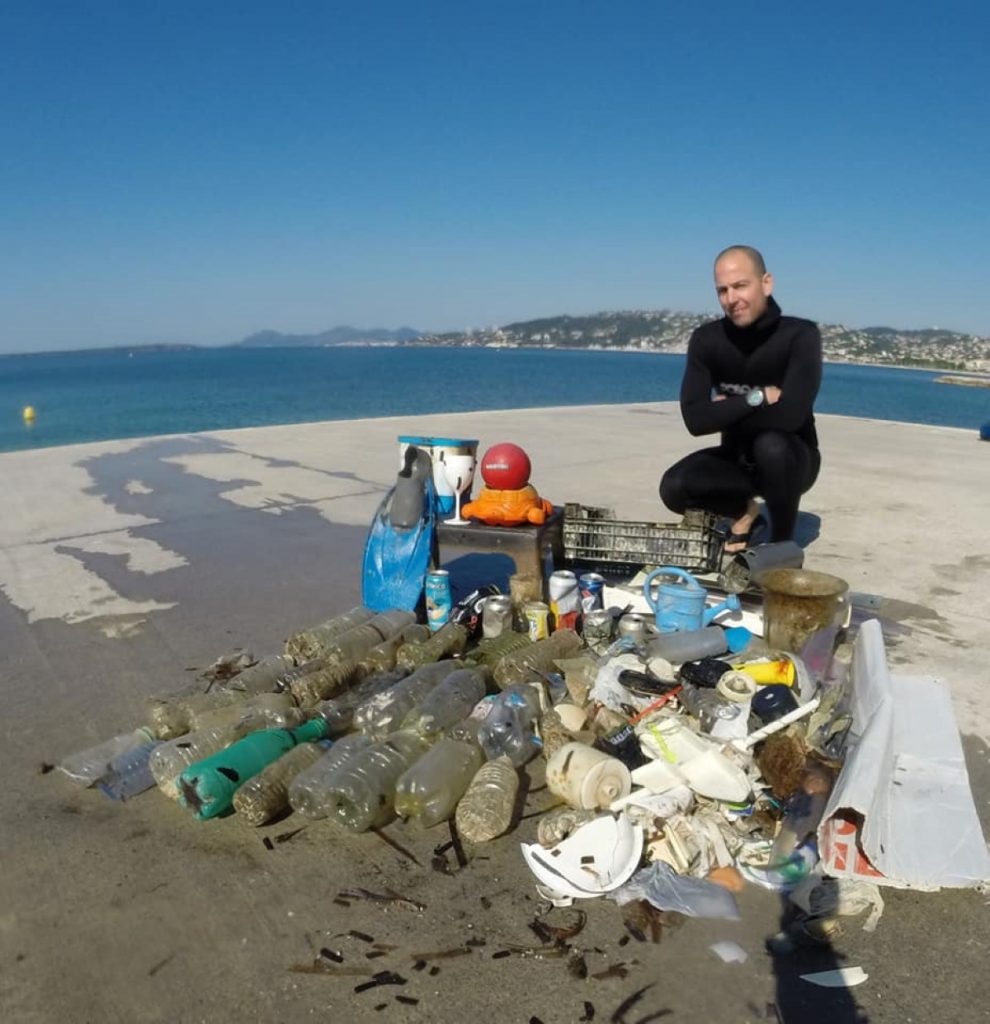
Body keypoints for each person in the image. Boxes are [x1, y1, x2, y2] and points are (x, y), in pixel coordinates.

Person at [659, 245, 821, 553]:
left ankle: (780, 545)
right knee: (674, 486)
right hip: (736, 461)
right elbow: (694, 419)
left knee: (771, 444)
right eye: (722, 290)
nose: (731, 299)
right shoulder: (707, 340)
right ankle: (745, 512)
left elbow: (791, 417)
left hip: (793, 461)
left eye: (740, 286)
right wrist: (756, 398)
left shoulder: (800, 336)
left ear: (766, 283)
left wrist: (723, 409)